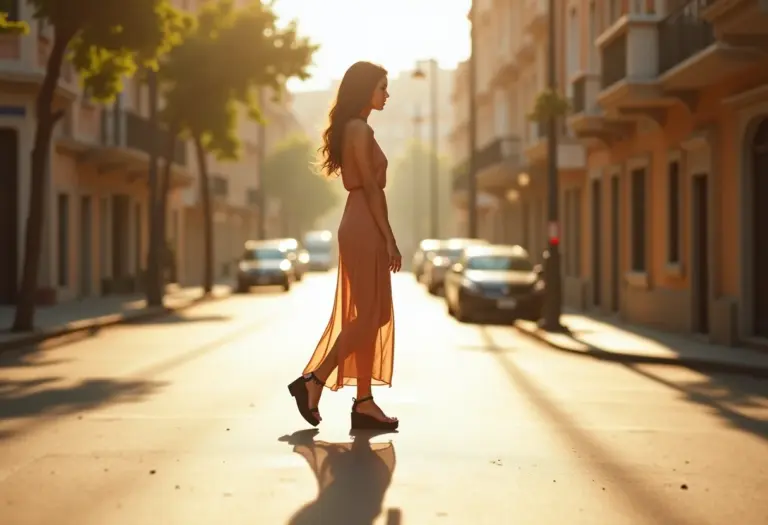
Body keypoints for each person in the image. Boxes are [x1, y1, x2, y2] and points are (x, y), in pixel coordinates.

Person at [288, 61, 401, 431]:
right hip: (363, 222)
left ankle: (364, 401)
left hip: (361, 220)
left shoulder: (358, 127)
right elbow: (370, 186)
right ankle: (315, 380)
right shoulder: (358, 129)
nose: (387, 94)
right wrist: (389, 237)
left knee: (374, 314)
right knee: (368, 315)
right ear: (366, 89)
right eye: (382, 87)